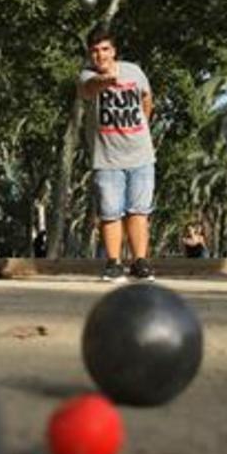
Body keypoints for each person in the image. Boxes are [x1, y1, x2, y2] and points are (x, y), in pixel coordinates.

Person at [78, 27, 156, 282]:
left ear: (114, 51)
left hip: (141, 155)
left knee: (138, 211)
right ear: (90, 55)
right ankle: (113, 263)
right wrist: (108, 81)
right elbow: (90, 89)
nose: (100, 55)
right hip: (107, 158)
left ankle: (140, 262)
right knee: (110, 212)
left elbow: (146, 98)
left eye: (105, 50)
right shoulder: (86, 76)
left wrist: (141, 127)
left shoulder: (134, 71)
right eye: (95, 51)